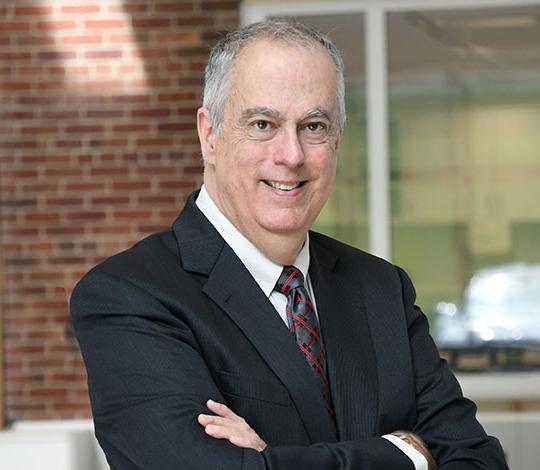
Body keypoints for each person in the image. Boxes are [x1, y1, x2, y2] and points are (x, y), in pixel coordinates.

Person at [71, 20, 508, 470]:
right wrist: (407, 454)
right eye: (263, 124)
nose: (292, 154)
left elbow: (479, 461)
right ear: (210, 135)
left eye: (313, 126)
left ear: (336, 140)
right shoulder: (130, 296)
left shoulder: (382, 290)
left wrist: (271, 460)